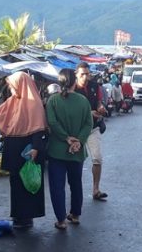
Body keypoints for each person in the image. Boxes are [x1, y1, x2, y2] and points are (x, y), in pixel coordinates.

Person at [0, 71, 48, 229]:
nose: (10, 88)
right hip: (14, 149)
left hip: (27, 150)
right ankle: (18, 215)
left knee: (28, 183)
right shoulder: (13, 101)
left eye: (12, 85)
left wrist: (36, 148)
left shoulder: (33, 103)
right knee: (16, 183)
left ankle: (27, 217)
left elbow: (39, 128)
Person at [46, 69, 94, 230]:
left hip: (57, 151)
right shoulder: (83, 101)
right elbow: (89, 124)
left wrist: (66, 138)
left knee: (57, 186)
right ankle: (75, 214)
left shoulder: (53, 101)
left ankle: (61, 220)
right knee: (76, 184)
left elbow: (52, 123)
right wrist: (78, 141)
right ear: (74, 82)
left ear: (60, 82)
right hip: (77, 151)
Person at [74, 63, 109, 202]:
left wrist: (101, 107)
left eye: (87, 74)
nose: (85, 77)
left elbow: (99, 101)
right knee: (76, 162)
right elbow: (71, 109)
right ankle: (75, 191)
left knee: (97, 158)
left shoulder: (94, 86)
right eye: (82, 74)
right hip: (77, 130)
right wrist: (89, 113)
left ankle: (96, 189)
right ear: (76, 74)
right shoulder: (73, 88)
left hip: (93, 128)